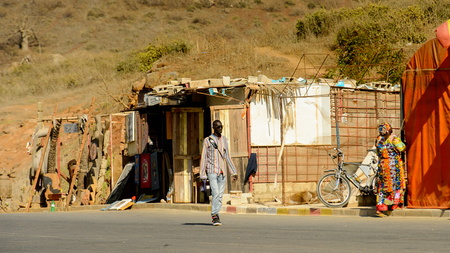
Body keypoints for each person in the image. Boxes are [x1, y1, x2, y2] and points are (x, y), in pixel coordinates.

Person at [200, 120, 238, 226]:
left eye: (221, 126)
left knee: (220, 195)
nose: (220, 128)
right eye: (218, 127)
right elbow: (204, 157)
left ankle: (216, 214)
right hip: (212, 171)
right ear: (214, 128)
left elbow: (227, 157)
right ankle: (215, 215)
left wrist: (233, 172)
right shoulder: (207, 140)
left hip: (222, 172)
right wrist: (202, 173)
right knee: (215, 193)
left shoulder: (224, 140)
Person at [375, 122, 406, 217]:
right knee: (398, 185)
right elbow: (403, 148)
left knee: (382, 187)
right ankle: (396, 204)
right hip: (394, 167)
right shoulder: (394, 139)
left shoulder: (379, 140)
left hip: (382, 166)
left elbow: (377, 153)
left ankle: (380, 208)